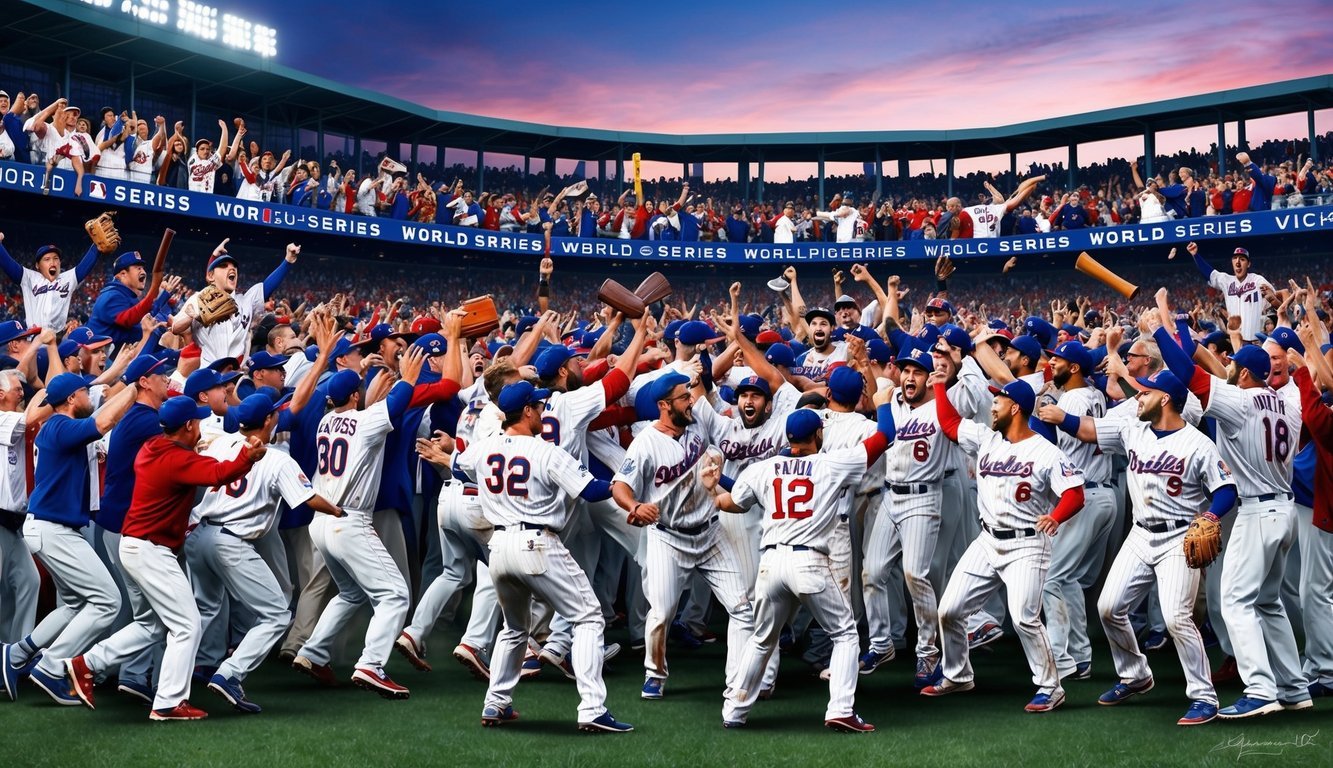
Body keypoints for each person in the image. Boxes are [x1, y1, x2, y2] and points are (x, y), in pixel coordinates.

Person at [1040, 370, 1234, 726]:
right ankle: (1134, 674)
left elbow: (1226, 489)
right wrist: (1059, 417)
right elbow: (1087, 430)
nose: (1137, 399)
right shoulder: (1133, 429)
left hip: (1179, 536)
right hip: (1141, 534)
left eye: (1144, 394)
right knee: (1110, 607)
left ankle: (1204, 697)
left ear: (1164, 399)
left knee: (1177, 617)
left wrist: (1209, 515)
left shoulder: (1198, 444)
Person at [59, 396, 264, 721]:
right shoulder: (174, 458)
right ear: (187, 426)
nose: (199, 424)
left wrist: (196, 450)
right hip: (150, 550)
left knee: (153, 624)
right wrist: (248, 457)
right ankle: (169, 702)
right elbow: (219, 474)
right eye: (195, 421)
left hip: (138, 545)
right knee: (187, 625)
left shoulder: (153, 447)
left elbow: (190, 466)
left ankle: (87, 663)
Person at [455, 380, 634, 733]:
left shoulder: (485, 448)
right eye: (537, 406)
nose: (542, 411)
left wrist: (448, 452)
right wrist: (620, 485)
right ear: (525, 411)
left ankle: (496, 702)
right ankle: (593, 709)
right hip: (536, 544)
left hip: (500, 548)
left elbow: (460, 465)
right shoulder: (544, 451)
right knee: (587, 618)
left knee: (514, 628)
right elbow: (591, 490)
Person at [710, 391, 895, 732]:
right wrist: (883, 403)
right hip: (809, 562)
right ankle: (840, 708)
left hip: (770, 563)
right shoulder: (830, 463)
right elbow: (883, 438)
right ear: (817, 436)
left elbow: (736, 503)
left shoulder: (763, 468)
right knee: (845, 634)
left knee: (761, 640)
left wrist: (713, 492)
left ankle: (734, 710)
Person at [921, 378, 1085, 712]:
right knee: (949, 610)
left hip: (1027, 544)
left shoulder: (1046, 452)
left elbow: (1074, 493)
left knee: (1024, 617)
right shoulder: (987, 439)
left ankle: (1050, 687)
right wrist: (938, 385)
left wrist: (1056, 516)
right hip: (987, 540)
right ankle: (957, 674)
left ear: (1015, 408)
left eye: (998, 401)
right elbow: (950, 424)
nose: (992, 406)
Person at [188, 393, 342, 714]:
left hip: (198, 536)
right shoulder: (276, 458)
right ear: (269, 420)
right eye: (274, 413)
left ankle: (158, 674)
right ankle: (230, 673)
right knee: (276, 613)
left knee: (200, 612)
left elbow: (202, 447)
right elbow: (307, 498)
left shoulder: (220, 443)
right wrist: (338, 511)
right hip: (228, 542)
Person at [291, 347, 426, 699]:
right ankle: (371, 665)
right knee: (395, 595)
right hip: (347, 520)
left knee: (351, 593)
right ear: (355, 395)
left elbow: (377, 412)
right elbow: (393, 408)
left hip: (322, 521)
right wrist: (408, 379)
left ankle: (312, 652)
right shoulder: (365, 422)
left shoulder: (325, 421)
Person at [612, 371, 755, 701]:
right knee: (661, 613)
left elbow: (719, 446)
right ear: (664, 405)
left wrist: (716, 461)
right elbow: (620, 486)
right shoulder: (646, 442)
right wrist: (634, 506)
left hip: (710, 532)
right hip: (669, 537)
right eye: (683, 397)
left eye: (689, 395)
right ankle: (655, 673)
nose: (690, 401)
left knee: (741, 608)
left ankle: (738, 683)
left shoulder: (697, 423)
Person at [5, 373, 138, 705]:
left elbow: (100, 422)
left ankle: (17, 655)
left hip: (50, 527)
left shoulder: (60, 427)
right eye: (83, 392)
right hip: (53, 529)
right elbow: (104, 420)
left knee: (77, 604)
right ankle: (51, 667)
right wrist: (136, 383)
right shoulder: (59, 427)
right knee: (108, 602)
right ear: (69, 399)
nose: (88, 397)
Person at [171, 239, 299, 366]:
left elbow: (267, 287)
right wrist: (192, 316)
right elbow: (175, 328)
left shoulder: (245, 301)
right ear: (211, 276)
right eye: (224, 266)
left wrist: (287, 261)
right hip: (209, 371)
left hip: (236, 374)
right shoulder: (199, 298)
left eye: (234, 267)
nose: (232, 269)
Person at [0, 232, 101, 331]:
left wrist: (96, 246)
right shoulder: (29, 277)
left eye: (56, 258)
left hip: (58, 339)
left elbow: (85, 265)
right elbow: (9, 265)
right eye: (47, 259)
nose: (52, 262)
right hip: (35, 338)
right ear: (37, 265)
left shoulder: (68, 278)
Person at [1188, 241, 1276, 344]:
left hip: (1256, 340)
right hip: (1235, 340)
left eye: (1242, 259)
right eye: (1235, 259)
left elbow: (1273, 295)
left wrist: (1267, 298)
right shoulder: (1227, 281)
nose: (1238, 262)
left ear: (1248, 264)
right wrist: (1195, 255)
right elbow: (1210, 274)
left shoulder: (1257, 280)